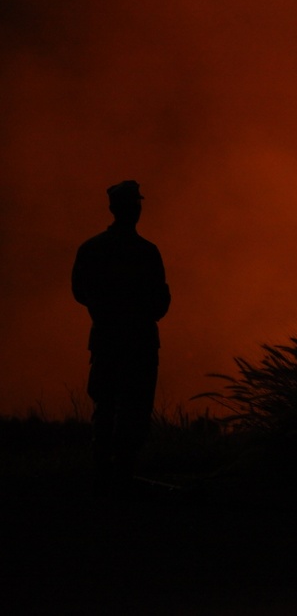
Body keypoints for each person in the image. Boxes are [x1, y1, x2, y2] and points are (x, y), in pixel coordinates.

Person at [72, 181, 171, 497]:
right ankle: (124, 474)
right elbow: (160, 303)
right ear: (132, 209)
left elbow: (79, 292)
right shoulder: (146, 252)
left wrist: (104, 310)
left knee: (105, 405)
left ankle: (103, 473)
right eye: (135, 205)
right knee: (135, 407)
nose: (137, 209)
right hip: (140, 342)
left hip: (105, 339)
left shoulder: (91, 249)